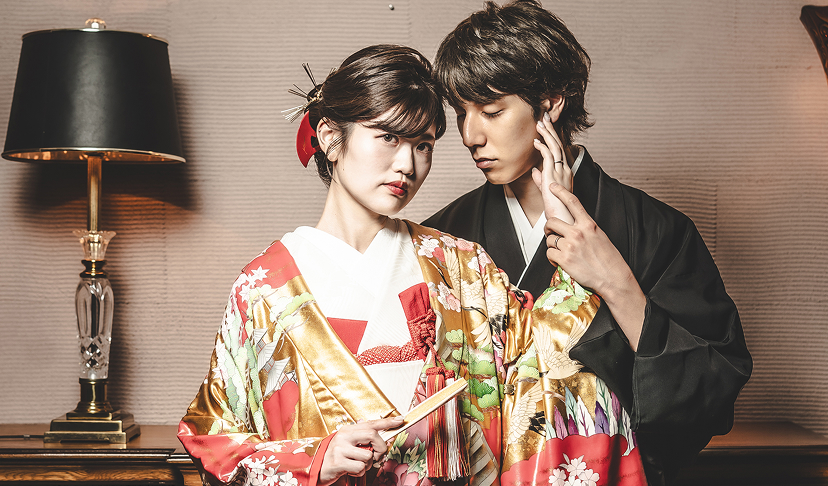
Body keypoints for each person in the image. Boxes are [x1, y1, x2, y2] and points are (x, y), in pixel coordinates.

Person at [178, 45, 650, 486]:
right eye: (388, 137)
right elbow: (213, 436)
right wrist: (315, 458)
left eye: (423, 145)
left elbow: (554, 361)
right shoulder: (263, 288)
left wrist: (561, 213)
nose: (407, 163)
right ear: (330, 137)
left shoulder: (461, 266)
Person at [422, 2, 753, 485]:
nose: (471, 135)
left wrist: (617, 284)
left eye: (491, 111)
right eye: (461, 112)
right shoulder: (442, 237)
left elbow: (711, 393)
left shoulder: (657, 230)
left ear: (551, 102)